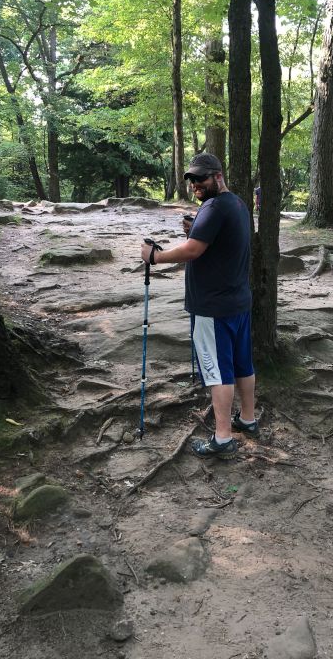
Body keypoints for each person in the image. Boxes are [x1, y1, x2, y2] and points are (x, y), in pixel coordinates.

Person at [140, 153, 257, 460]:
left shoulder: (214, 206)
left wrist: (154, 257)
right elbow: (219, 242)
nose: (195, 186)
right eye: (191, 180)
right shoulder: (239, 204)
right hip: (238, 302)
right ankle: (248, 418)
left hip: (213, 308)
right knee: (243, 363)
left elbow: (193, 250)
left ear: (218, 176)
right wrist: (197, 228)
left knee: (218, 371)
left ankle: (222, 438)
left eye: (201, 179)